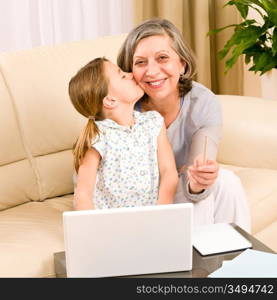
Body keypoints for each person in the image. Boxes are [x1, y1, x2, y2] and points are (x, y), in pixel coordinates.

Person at [117, 18, 251, 232]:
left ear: (182, 63)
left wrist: (198, 180)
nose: (151, 71)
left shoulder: (203, 103)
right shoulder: (119, 104)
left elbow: (196, 178)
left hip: (180, 189)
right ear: (129, 70)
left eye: (162, 58)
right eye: (140, 62)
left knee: (227, 182)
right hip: (136, 197)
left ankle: (239, 259)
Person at [68, 57, 178, 210]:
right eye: (122, 75)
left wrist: (162, 211)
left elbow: (169, 172)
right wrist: (93, 229)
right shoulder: (98, 137)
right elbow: (83, 194)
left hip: (151, 218)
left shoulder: (153, 123)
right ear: (110, 101)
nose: (131, 74)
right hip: (110, 225)